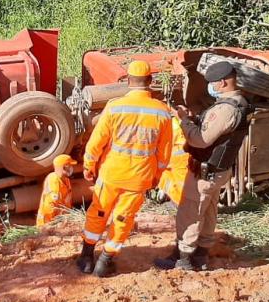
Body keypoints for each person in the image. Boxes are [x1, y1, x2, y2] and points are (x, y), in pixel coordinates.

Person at [78, 60, 173, 277]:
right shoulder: (162, 112)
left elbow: (96, 141)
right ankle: (105, 261)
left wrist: (88, 165)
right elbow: (164, 153)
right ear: (150, 81)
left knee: (98, 212)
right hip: (139, 178)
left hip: (111, 173)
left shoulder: (114, 106)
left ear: (128, 81)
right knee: (123, 218)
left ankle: (85, 257)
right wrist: (156, 176)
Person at [154, 61, 251, 271]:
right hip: (219, 170)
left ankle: (182, 259)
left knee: (190, 212)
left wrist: (184, 122)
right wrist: (194, 118)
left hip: (205, 172)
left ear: (223, 82)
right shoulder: (240, 102)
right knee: (208, 212)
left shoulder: (225, 109)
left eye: (213, 83)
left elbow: (201, 140)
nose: (211, 87)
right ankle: (201, 255)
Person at [36, 154, 77, 227]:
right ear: (63, 167)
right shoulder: (54, 180)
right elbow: (50, 207)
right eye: (70, 166)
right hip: (48, 223)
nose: (72, 168)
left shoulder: (66, 180)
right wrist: (52, 224)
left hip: (59, 221)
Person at [157, 116, 189, 206]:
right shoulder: (182, 122)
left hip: (176, 158)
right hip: (181, 158)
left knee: (178, 183)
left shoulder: (170, 123)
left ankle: (181, 203)